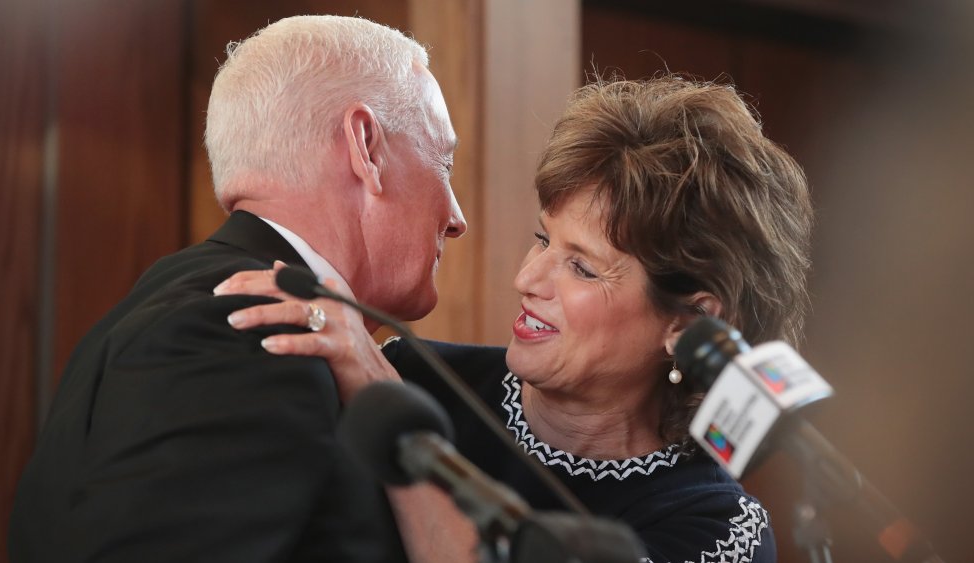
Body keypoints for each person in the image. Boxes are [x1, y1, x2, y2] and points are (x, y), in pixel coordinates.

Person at [216, 75, 813, 562]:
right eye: (541, 240)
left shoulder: (713, 523)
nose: (527, 280)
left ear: (689, 323)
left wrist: (383, 406)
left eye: (581, 267)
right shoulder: (411, 376)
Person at [8, 15, 466, 563]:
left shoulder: (202, 305)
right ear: (366, 146)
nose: (457, 217)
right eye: (443, 161)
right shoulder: (249, 333)